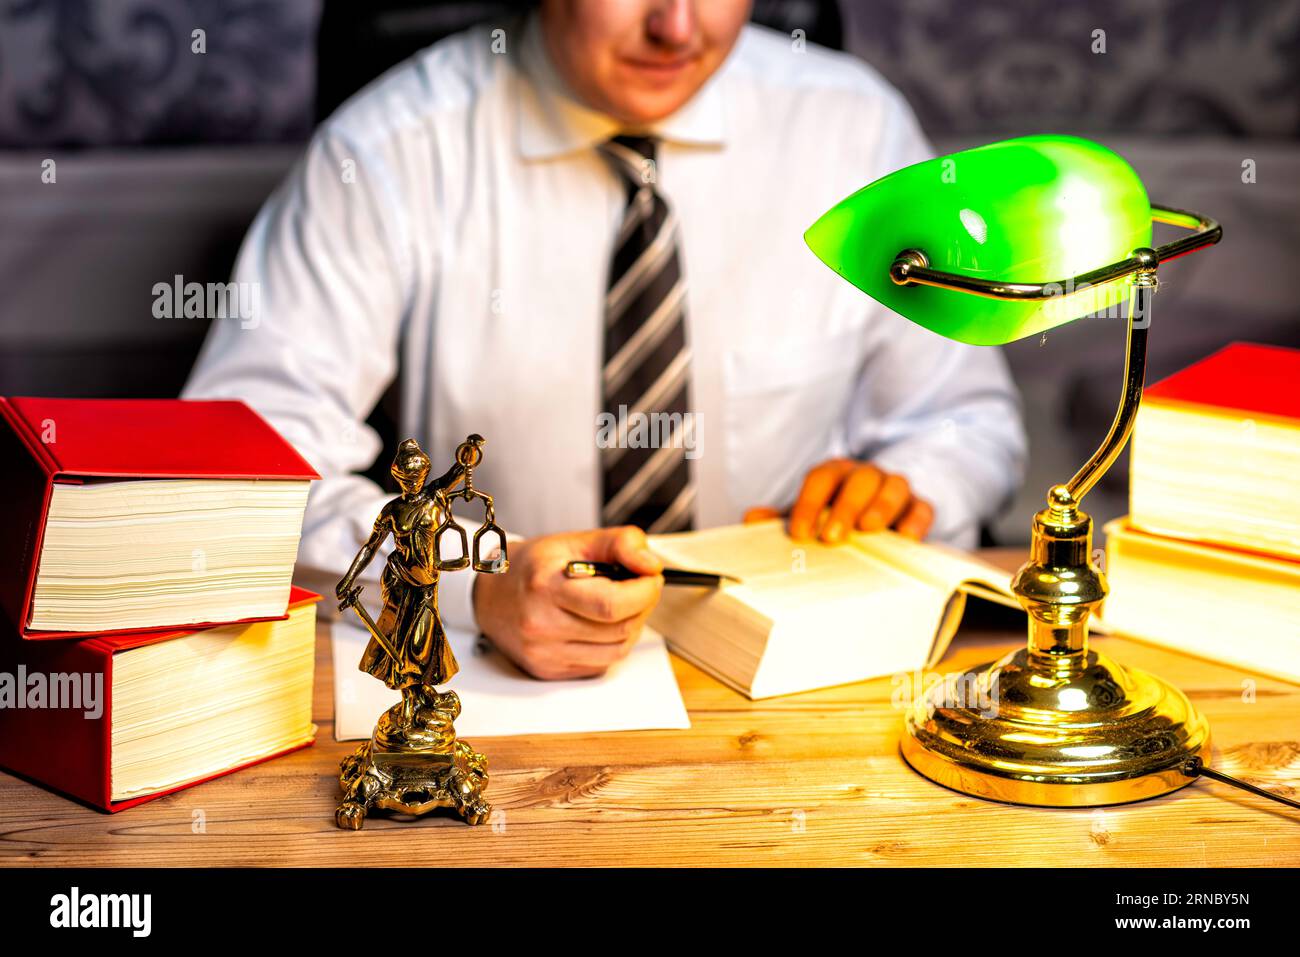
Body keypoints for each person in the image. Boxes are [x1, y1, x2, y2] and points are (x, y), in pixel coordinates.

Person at [184, 0, 1026, 681]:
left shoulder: (855, 128)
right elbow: (241, 474)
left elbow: (967, 418)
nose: (678, 27)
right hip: (494, 682)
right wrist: (470, 580)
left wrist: (909, 491)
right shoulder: (387, 150)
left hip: (797, 678)